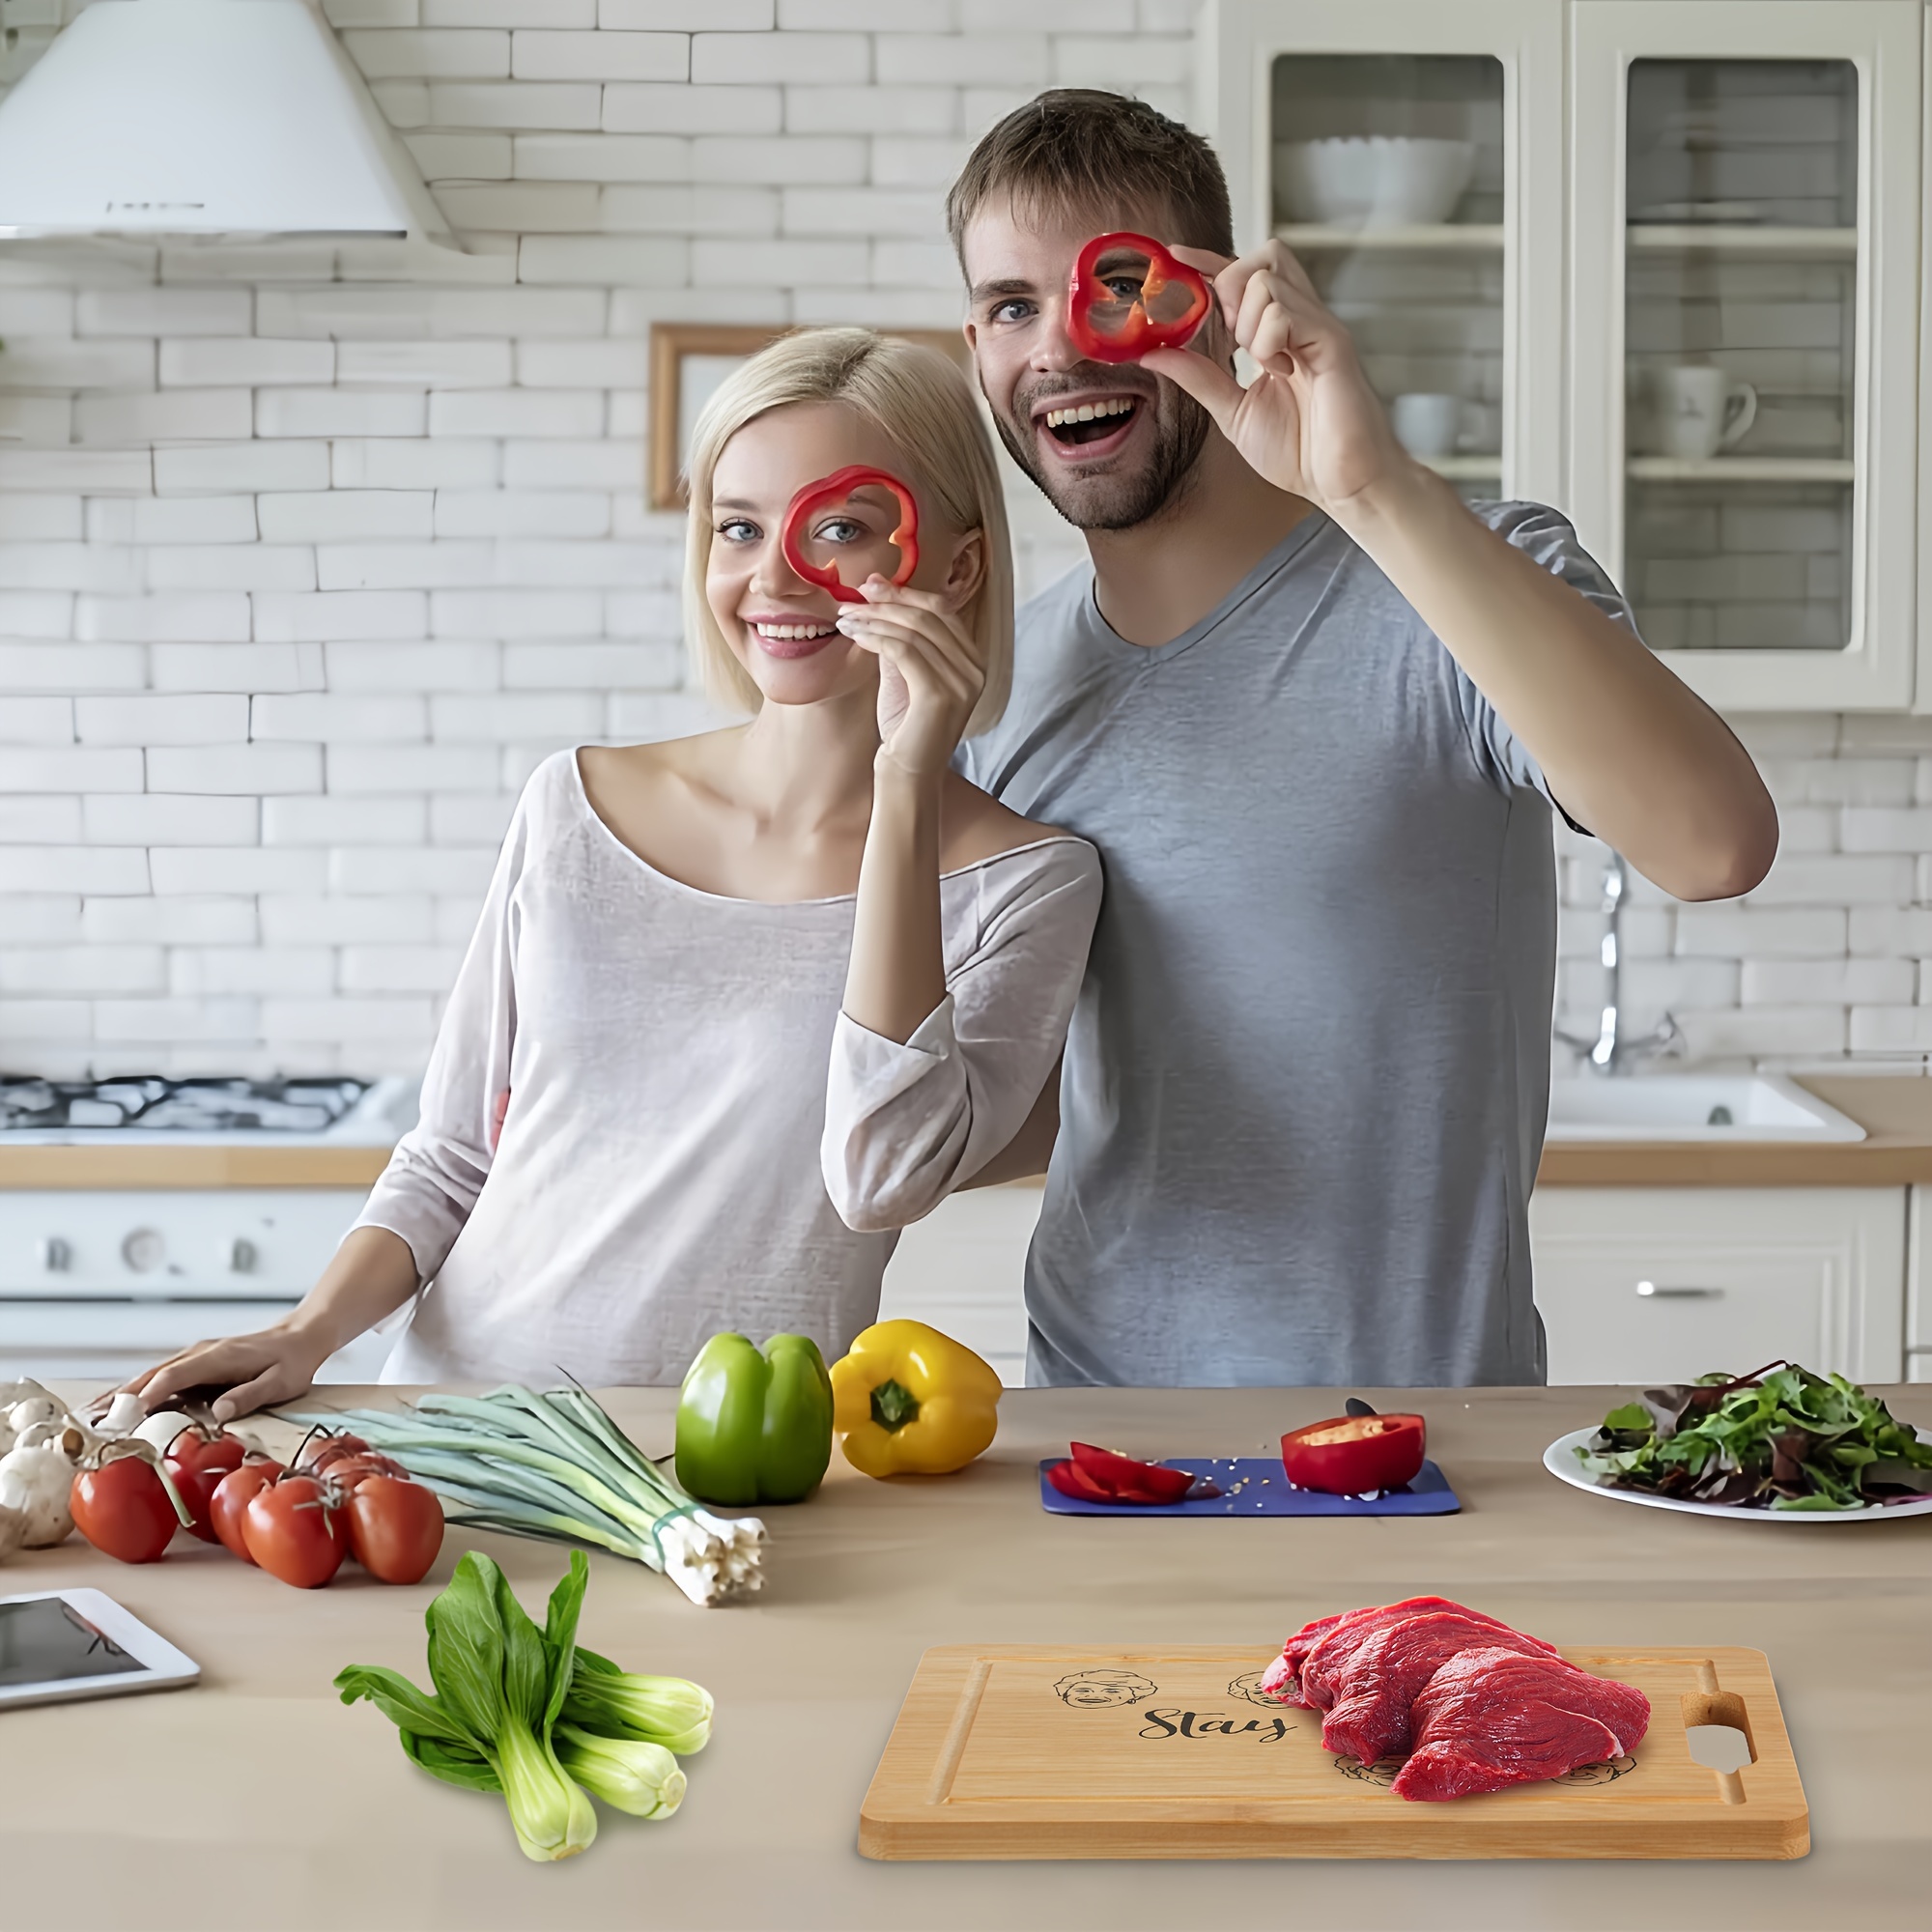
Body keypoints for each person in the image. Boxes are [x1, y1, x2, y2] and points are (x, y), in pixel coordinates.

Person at [950, 92, 1778, 1388]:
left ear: (1215, 299)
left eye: (1109, 284)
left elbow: (1714, 843)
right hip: (1097, 1435)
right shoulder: (1002, 689)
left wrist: (1369, 486)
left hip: (1419, 1434)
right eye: (1010, 304)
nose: (1060, 342)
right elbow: (1015, 1098)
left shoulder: (1466, 573)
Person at [126, 328, 1101, 1417]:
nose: (772, 575)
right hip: (450, 1428)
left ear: (955, 565)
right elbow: (451, 1154)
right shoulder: (571, 807)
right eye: (736, 526)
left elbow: (882, 1178)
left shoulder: (1027, 882)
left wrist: (908, 781)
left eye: (837, 527)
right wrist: (306, 1334)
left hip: (724, 1464)